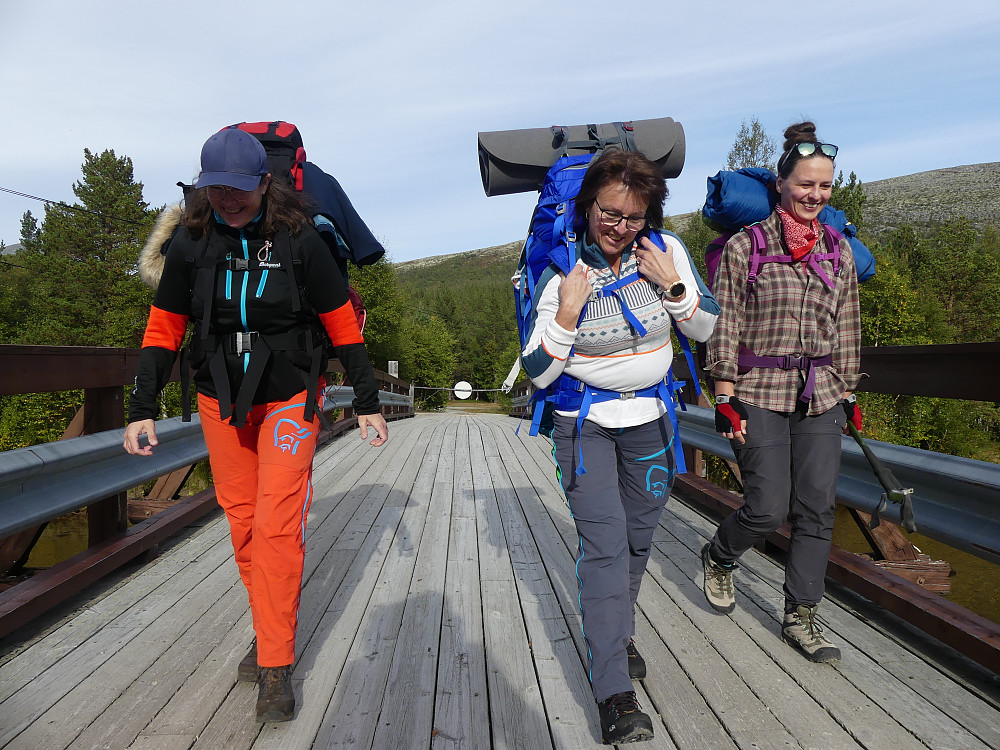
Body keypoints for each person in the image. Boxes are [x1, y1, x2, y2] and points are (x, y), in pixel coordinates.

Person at [123, 127, 388, 722]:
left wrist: (367, 400)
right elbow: (163, 328)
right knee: (242, 523)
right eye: (216, 188)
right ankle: (269, 628)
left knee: (274, 524)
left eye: (239, 188)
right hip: (221, 397)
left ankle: (275, 662)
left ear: (264, 183)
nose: (229, 199)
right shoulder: (191, 244)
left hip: (290, 393)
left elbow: (341, 321)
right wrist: (142, 408)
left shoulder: (298, 240)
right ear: (202, 187)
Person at [521, 149, 719, 744]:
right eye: (609, 213)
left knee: (637, 540)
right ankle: (612, 690)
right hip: (585, 429)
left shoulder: (667, 252)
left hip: (654, 421)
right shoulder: (561, 272)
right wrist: (568, 315)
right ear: (587, 208)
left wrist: (675, 288)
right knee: (605, 546)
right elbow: (537, 371)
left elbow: (707, 326)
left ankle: (616, 630)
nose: (619, 227)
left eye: (633, 217)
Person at [701, 121, 862, 663]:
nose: (815, 196)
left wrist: (848, 392)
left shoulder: (838, 252)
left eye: (825, 188)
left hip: (821, 393)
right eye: (805, 185)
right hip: (756, 389)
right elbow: (726, 324)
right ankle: (721, 554)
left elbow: (848, 326)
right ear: (781, 183)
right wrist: (723, 395)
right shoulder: (748, 246)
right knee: (768, 508)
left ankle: (802, 614)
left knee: (816, 508)